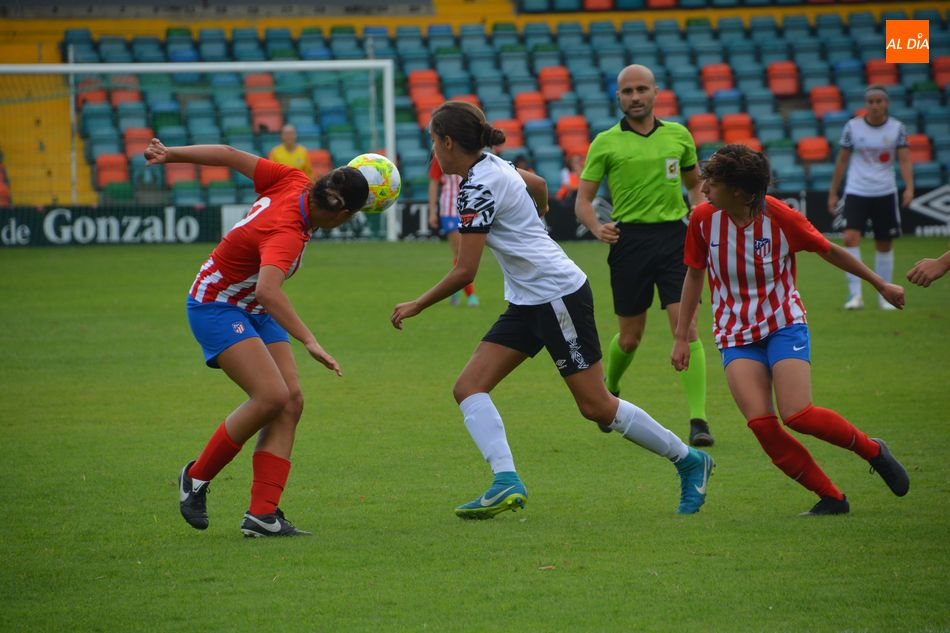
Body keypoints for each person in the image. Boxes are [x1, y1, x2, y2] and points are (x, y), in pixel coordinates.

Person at [391, 101, 714, 520]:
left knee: (596, 405)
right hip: (529, 299)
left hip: (557, 295)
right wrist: (539, 217)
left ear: (449, 142)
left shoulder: (477, 187)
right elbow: (539, 183)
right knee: (468, 387)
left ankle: (689, 459)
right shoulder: (494, 165)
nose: (433, 149)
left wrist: (417, 304)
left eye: (434, 141)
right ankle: (505, 480)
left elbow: (465, 269)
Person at [145, 137, 369, 537]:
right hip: (216, 304)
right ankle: (195, 478)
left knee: (291, 401)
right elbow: (269, 290)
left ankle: (262, 515)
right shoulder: (288, 231)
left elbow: (230, 156)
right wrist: (310, 341)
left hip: (251, 304)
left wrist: (171, 154)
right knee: (271, 396)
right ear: (342, 215)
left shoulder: (293, 179)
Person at [671, 144, 910, 516]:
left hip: (784, 323)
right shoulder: (703, 220)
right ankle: (832, 498)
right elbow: (694, 274)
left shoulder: (781, 217)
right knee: (764, 427)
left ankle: (873, 451)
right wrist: (682, 336)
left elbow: (829, 251)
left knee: (798, 414)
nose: (703, 189)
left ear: (738, 191)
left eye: (711, 183)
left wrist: (881, 284)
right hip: (735, 335)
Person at [575, 64, 714, 447]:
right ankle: (611, 389)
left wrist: (698, 216)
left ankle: (699, 421)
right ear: (618, 98)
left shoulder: (679, 136)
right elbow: (583, 201)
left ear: (655, 92)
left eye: (641, 90)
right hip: (629, 242)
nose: (635, 97)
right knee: (630, 337)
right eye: (627, 92)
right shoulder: (605, 142)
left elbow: (695, 185)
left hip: (674, 239)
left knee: (685, 328)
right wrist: (596, 227)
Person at [827, 85, 914, 311]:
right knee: (849, 238)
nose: (875, 105)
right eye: (871, 101)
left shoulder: (897, 128)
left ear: (886, 103)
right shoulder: (853, 127)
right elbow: (842, 161)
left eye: (879, 101)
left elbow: (904, 160)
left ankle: (885, 297)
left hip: (885, 191)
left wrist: (909, 188)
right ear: (866, 104)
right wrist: (833, 192)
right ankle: (855, 295)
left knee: (883, 242)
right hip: (857, 190)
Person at [428, 158, 478, 306]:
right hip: (449, 207)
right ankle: (471, 295)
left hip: (468, 205)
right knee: (459, 252)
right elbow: (433, 182)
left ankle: (455, 288)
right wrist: (432, 211)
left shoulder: (466, 151)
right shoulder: (440, 155)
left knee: (468, 253)